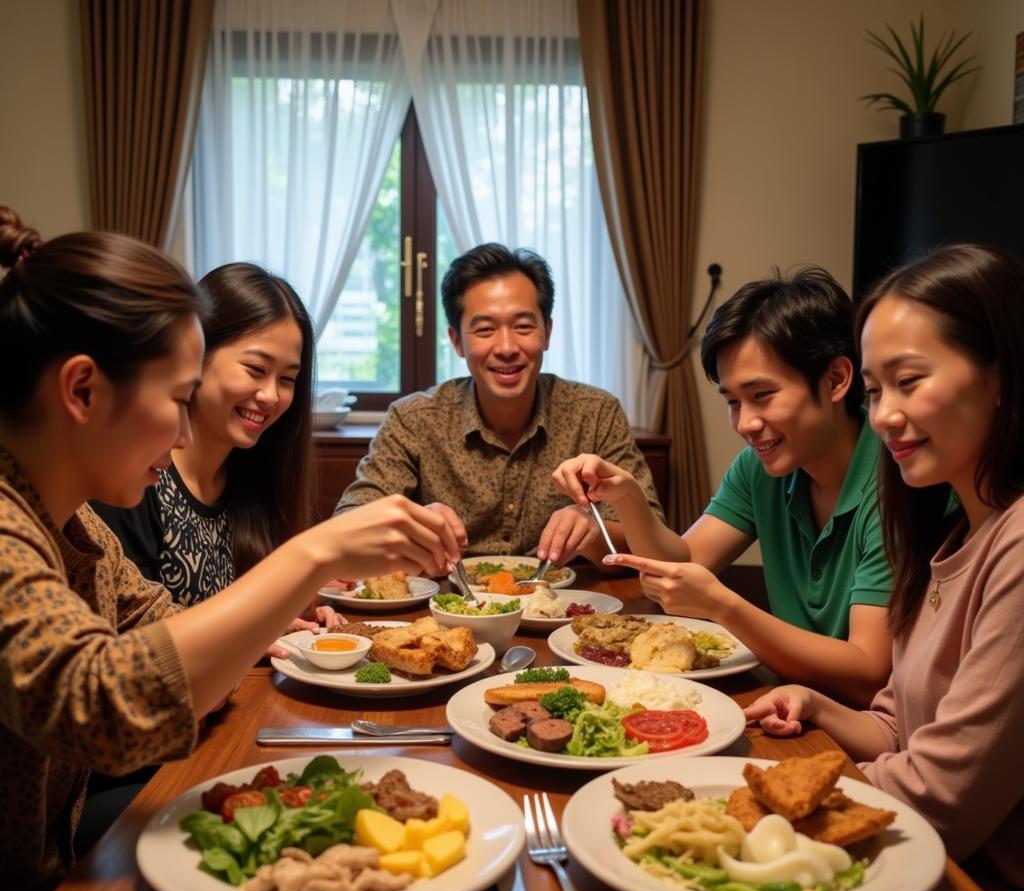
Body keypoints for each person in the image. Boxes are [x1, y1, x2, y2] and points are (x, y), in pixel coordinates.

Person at [0, 208, 460, 891]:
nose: (186, 433)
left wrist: (277, 611)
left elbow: (162, 629)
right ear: (82, 391)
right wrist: (313, 556)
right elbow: (103, 707)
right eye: (179, 400)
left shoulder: (75, 527)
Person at [743, 244, 1024, 891]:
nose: (883, 415)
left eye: (910, 380)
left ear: (1002, 373)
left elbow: (939, 798)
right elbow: (898, 725)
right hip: (914, 872)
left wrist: (759, 795)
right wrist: (817, 706)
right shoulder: (952, 531)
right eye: (874, 390)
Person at [552, 268, 892, 705]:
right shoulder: (759, 467)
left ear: (836, 380)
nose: (745, 423)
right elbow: (688, 561)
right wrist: (627, 495)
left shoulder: (893, 485)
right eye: (733, 401)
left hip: (861, 724)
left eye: (763, 395)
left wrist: (723, 607)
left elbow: (867, 673)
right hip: (787, 700)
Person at [334, 242, 664, 563]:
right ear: (456, 341)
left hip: (568, 611)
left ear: (547, 332)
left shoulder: (595, 413)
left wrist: (593, 531)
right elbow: (347, 527)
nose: (506, 346)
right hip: (444, 611)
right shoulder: (414, 419)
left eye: (523, 326)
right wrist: (414, 522)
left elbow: (653, 535)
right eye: (486, 329)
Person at [93, 262, 340, 637]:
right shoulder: (135, 479)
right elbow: (135, 637)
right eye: (256, 369)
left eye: (287, 379)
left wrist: (294, 614)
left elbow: (248, 611)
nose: (271, 395)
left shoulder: (254, 475)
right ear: (197, 355)